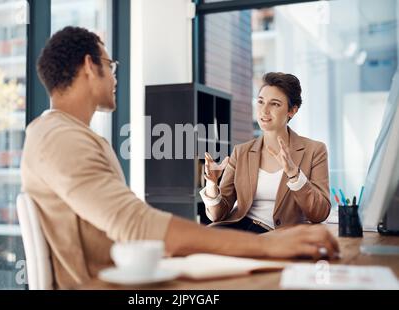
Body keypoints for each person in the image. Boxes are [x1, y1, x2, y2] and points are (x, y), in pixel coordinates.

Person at [21, 26, 339, 289]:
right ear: (91, 66)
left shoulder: (79, 137)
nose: (115, 77)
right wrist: (267, 246)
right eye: (111, 65)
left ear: (292, 111)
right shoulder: (58, 137)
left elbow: (126, 227)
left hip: (130, 276)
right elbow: (136, 224)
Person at [200, 72, 330, 234]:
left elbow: (320, 213)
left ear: (292, 111)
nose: (264, 110)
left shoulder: (314, 150)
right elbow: (218, 215)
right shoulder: (241, 152)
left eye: (274, 104)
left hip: (280, 235)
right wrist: (212, 183)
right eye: (260, 102)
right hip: (239, 229)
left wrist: (294, 174)